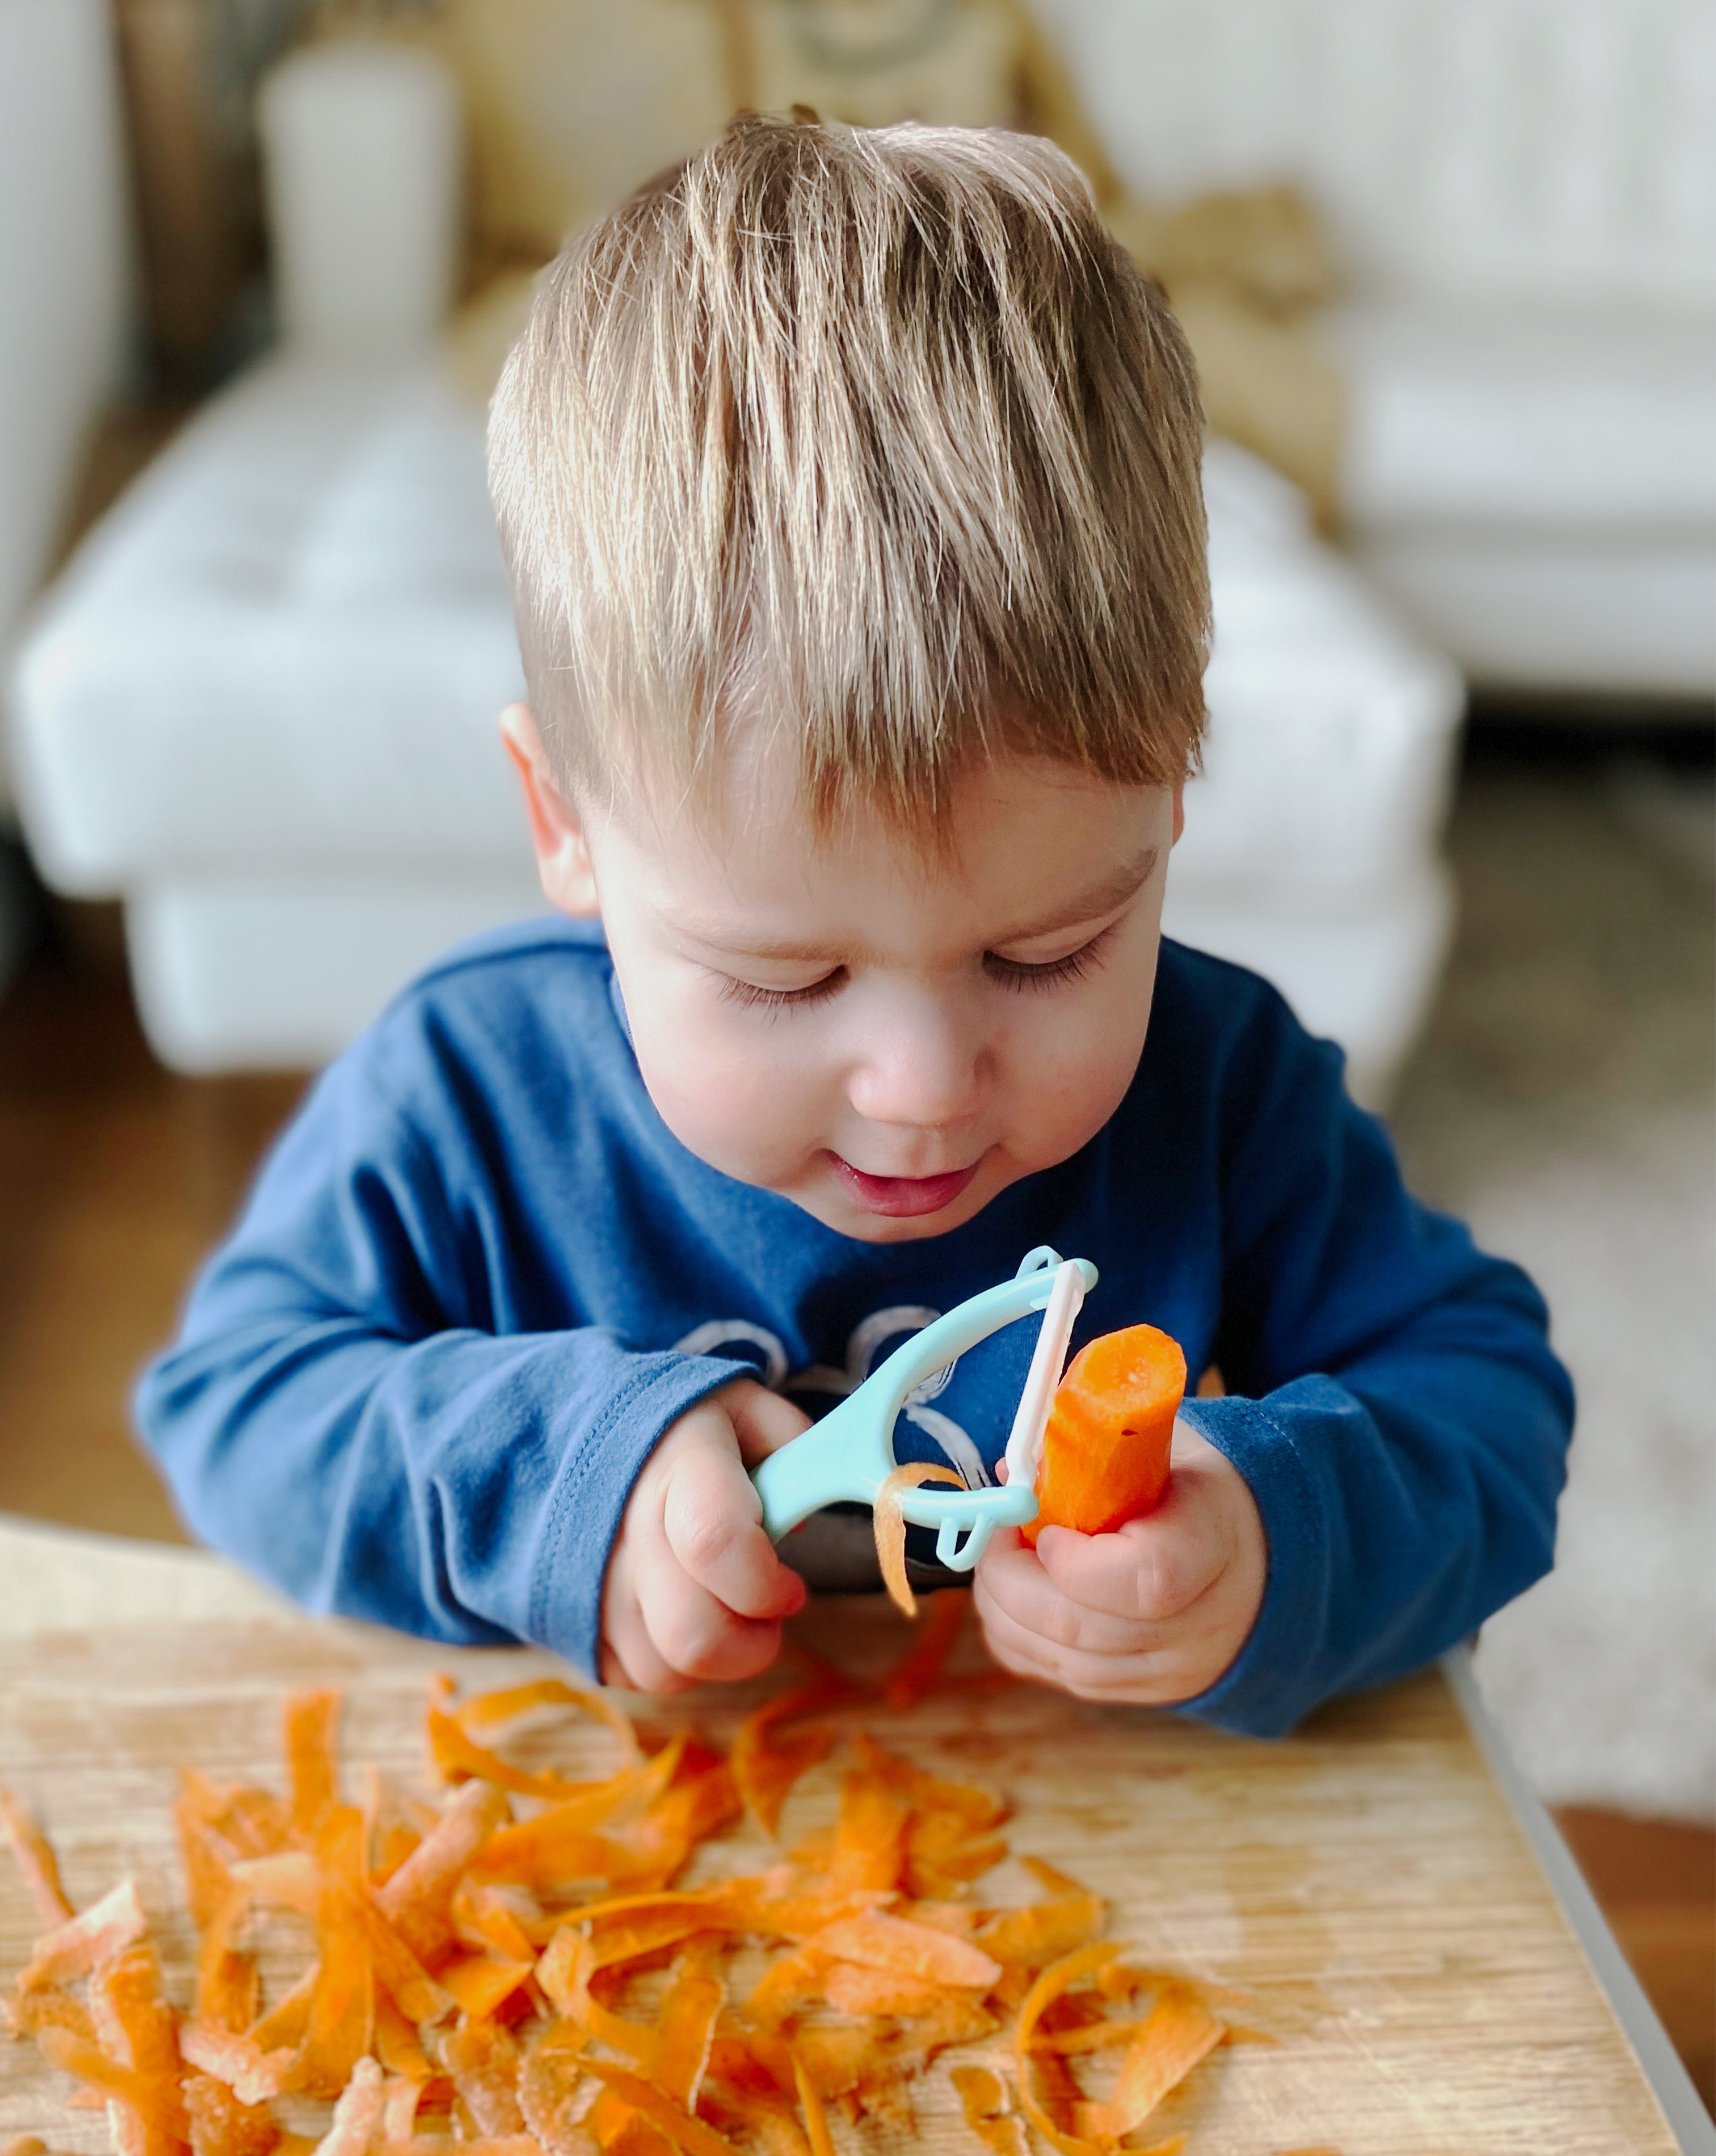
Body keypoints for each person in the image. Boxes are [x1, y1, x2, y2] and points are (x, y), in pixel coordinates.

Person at [137, 114, 1572, 1736]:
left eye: (1045, 954)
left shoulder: (1227, 1095)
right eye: (783, 976)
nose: (921, 1084)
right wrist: (556, 1476)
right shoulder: (468, 1094)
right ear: (566, 827)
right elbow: (233, 1404)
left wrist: (1273, 1537)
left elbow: (1491, 1404)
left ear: (1173, 791)